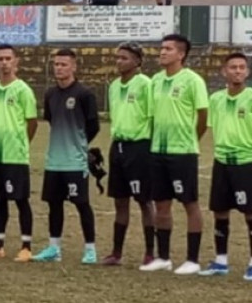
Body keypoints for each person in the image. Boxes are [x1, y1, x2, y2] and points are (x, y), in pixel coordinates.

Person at [140, 34, 208, 274]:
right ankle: (164, 257)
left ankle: (192, 259)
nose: (162, 52)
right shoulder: (155, 81)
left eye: (168, 49)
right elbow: (151, 116)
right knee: (162, 204)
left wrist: (190, 140)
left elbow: (202, 117)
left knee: (189, 203)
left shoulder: (192, 81)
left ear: (181, 54)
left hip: (183, 153)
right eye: (161, 48)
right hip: (158, 151)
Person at [33, 49, 100, 264]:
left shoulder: (84, 94)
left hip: (75, 161)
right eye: (56, 64)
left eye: (63, 64)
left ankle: (90, 249)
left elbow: (93, 126)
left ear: (74, 67)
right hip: (54, 161)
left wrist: (78, 145)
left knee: (81, 204)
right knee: (54, 204)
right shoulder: (50, 94)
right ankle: (54, 248)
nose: (59, 68)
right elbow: (52, 121)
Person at [0, 44, 37, 261]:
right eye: (0, 59)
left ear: (16, 62)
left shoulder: (23, 90)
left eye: (8, 59)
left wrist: (20, 143)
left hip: (15, 156)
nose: (4, 63)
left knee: (20, 200)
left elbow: (32, 122)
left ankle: (26, 247)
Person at [198, 53, 252, 280]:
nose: (238, 71)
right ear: (224, 72)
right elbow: (208, 126)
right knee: (220, 211)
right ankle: (221, 261)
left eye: (242, 67)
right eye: (233, 67)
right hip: (222, 162)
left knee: (250, 213)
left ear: (247, 72)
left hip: (246, 163)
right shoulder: (216, 99)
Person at [102, 43, 156, 266]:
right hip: (118, 147)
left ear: (137, 62)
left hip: (139, 147)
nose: (119, 61)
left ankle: (150, 252)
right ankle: (116, 252)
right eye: (118, 57)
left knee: (144, 201)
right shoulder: (114, 86)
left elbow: (153, 117)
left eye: (125, 58)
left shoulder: (145, 84)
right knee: (120, 201)